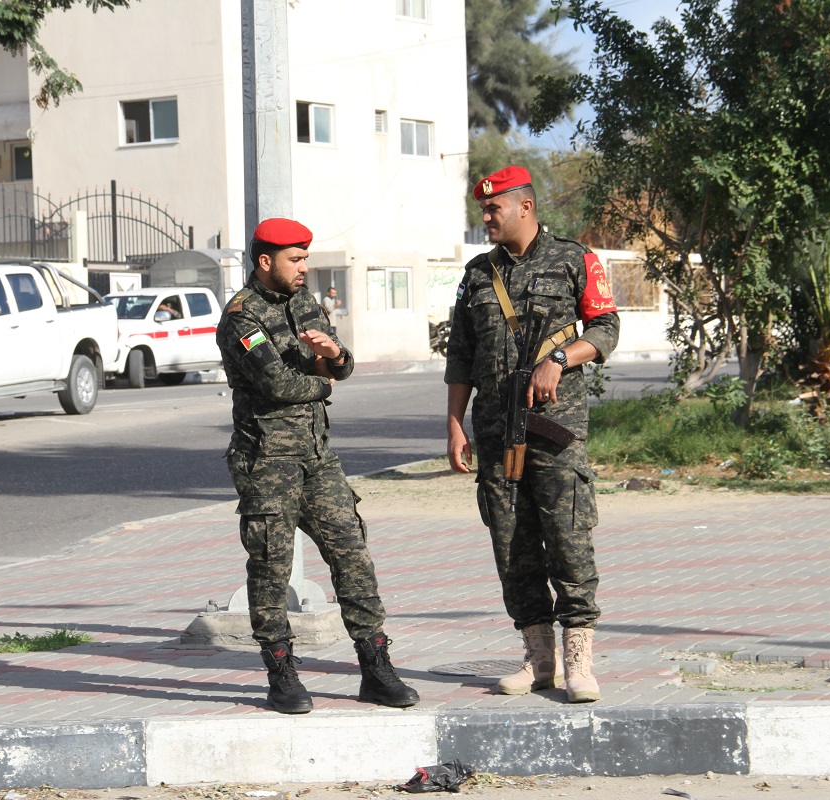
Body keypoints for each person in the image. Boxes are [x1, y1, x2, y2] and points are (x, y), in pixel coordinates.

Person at [216, 217, 420, 715]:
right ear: (266, 262)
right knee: (270, 568)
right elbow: (280, 386)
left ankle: (375, 668)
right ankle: (282, 673)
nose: (305, 267)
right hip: (267, 461)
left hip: (316, 455)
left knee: (352, 554)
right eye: (296, 259)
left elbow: (339, 363)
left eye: (306, 258)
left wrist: (336, 356)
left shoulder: (305, 302)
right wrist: (326, 381)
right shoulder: (242, 320)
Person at [444, 166, 620, 703]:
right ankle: (539, 659)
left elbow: (607, 327)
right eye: (485, 209)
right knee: (512, 548)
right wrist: (455, 424)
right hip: (497, 437)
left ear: (524, 206)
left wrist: (561, 359)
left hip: (556, 432)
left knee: (568, 540)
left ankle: (578, 661)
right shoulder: (477, 274)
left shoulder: (574, 259)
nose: (487, 217)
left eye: (494, 208)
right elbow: (461, 357)